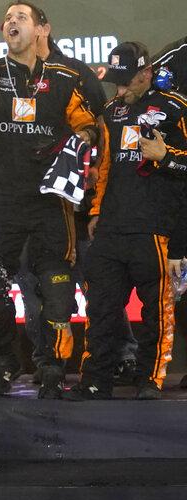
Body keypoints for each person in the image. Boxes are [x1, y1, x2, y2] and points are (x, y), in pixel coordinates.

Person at [0, 2, 98, 398]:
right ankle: (5, 361)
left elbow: (88, 125)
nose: (12, 22)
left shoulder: (63, 77)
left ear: (40, 30)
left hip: (49, 202)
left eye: (21, 17)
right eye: (7, 19)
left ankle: (52, 368)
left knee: (57, 285)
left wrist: (75, 144)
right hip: (2, 202)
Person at [68, 43, 187, 400]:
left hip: (156, 228)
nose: (120, 90)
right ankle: (95, 380)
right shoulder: (111, 111)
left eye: (127, 82)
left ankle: (150, 379)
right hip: (112, 227)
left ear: (146, 73)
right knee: (101, 308)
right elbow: (104, 166)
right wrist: (96, 211)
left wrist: (166, 156)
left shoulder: (176, 108)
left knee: (157, 312)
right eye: (116, 83)